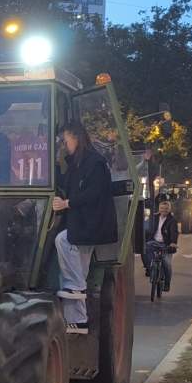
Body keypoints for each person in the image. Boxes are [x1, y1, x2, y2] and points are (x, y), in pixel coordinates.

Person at [51, 121, 117, 335]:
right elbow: (65, 181)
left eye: (66, 140)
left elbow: (94, 193)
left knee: (64, 243)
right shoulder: (79, 163)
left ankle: (78, 301)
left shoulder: (95, 163)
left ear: (76, 137)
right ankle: (77, 321)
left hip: (91, 223)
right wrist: (48, 165)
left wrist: (67, 203)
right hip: (83, 222)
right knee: (77, 268)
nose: (64, 144)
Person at [143, 196, 180, 291]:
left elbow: (174, 232)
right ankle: (149, 268)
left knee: (167, 264)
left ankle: (167, 284)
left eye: (166, 208)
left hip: (166, 244)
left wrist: (173, 243)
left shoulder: (172, 220)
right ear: (159, 209)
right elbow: (146, 228)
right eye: (162, 208)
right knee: (145, 250)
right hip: (154, 242)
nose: (164, 210)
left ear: (169, 209)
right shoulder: (153, 218)